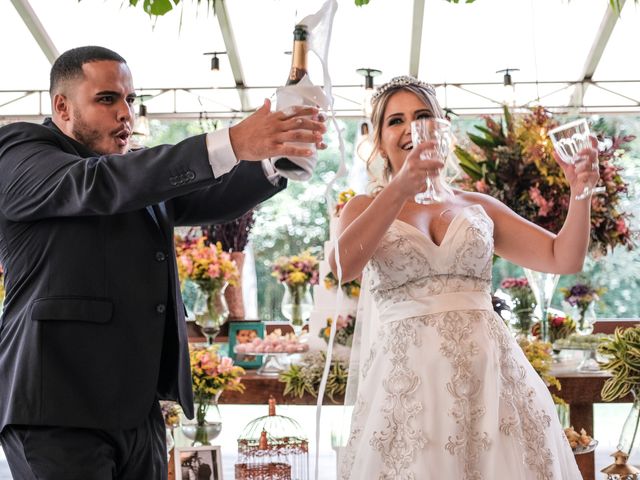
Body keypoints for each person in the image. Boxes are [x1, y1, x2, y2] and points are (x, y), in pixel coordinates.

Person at [0, 45, 326, 480]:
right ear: (62, 106)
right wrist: (232, 141)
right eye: (107, 99)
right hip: (55, 406)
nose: (125, 114)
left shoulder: (132, 172)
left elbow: (210, 195)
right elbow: (94, 185)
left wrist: (274, 156)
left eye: (130, 101)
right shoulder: (19, 153)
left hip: (138, 411)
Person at [331, 76, 597, 479]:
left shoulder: (477, 206)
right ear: (379, 139)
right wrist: (400, 188)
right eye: (395, 120)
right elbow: (343, 266)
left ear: (441, 130)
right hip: (408, 385)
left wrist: (581, 192)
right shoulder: (363, 208)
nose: (410, 129)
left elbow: (563, 256)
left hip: (489, 376)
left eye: (422, 116)